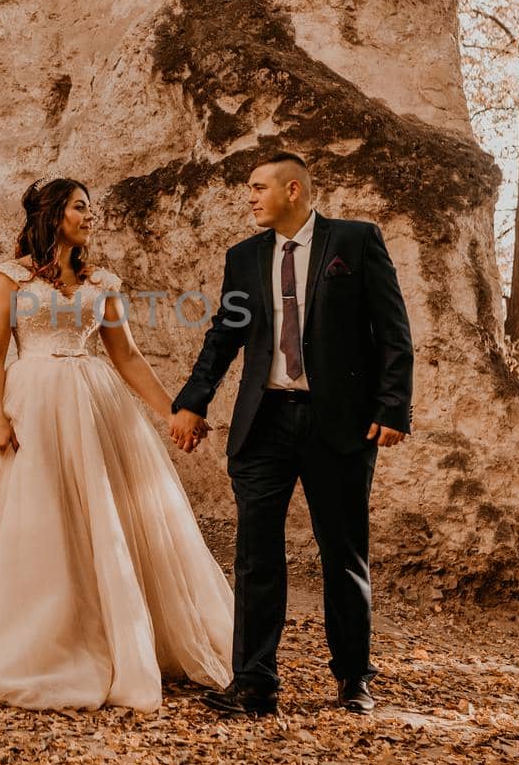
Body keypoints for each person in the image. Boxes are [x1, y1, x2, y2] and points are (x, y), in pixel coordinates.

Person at [0, 178, 233, 711]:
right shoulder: (10, 278)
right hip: (33, 404)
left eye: (90, 208)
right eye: (80, 207)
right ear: (53, 214)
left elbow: (128, 357)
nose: (91, 216)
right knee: (38, 518)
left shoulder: (101, 281)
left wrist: (172, 414)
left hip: (96, 404)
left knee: (105, 517)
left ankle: (117, 634)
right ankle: (35, 641)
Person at [169, 151, 413, 717]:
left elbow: (393, 330)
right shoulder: (244, 258)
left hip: (340, 424)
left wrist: (393, 406)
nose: (250, 198)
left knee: (343, 553)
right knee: (255, 556)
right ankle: (254, 685)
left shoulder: (354, 242)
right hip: (264, 422)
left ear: (294, 190)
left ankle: (354, 679)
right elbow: (223, 338)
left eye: (259, 188)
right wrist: (191, 402)